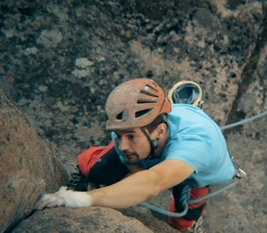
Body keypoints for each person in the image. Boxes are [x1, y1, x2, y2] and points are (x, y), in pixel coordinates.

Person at [34, 78, 236, 233]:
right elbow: (140, 174)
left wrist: (85, 199)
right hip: (155, 145)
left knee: (182, 219)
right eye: (119, 135)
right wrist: (131, 178)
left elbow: (153, 182)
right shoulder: (128, 127)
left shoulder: (196, 142)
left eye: (130, 136)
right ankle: (181, 104)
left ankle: (187, 106)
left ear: (160, 130)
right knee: (98, 169)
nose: (122, 145)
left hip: (196, 171)